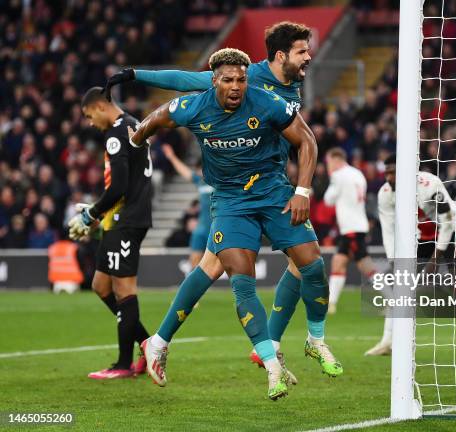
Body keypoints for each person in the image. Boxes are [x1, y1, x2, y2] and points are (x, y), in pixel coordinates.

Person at [130, 48, 341, 400]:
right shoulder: (195, 106)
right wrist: (135, 142)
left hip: (274, 194)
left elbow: (306, 140)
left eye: (241, 79)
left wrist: (302, 191)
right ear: (214, 81)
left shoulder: (267, 101)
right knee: (239, 280)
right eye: (228, 80)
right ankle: (272, 365)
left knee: (313, 264)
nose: (236, 86)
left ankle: (315, 340)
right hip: (231, 203)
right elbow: (158, 116)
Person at [105, 22, 318, 369]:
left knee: (215, 267)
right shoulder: (244, 77)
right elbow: (182, 81)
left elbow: (300, 138)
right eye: (302, 52)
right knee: (287, 260)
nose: (309, 57)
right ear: (281, 56)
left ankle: (159, 342)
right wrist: (133, 74)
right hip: (241, 191)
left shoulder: (290, 85)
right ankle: (266, 344)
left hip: (268, 183)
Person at [69, 87, 152, 379]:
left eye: (90, 116)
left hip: (126, 219)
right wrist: (99, 212)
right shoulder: (133, 124)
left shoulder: (117, 132)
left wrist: (91, 213)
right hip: (118, 218)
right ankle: (148, 343)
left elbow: (118, 186)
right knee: (101, 285)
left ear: (101, 107)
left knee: (123, 289)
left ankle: (123, 364)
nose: (91, 123)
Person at [365, 154, 456, 358]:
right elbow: (389, 232)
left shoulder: (430, 184)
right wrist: (394, 261)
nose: (389, 177)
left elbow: (447, 221)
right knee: (399, 283)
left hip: (451, 228)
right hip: (421, 235)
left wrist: (435, 260)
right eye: (387, 172)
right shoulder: (385, 193)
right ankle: (387, 341)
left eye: (393, 172)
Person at [322, 147, 377, 314]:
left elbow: (328, 200)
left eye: (329, 162)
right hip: (356, 226)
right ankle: (330, 304)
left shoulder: (339, 176)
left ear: (336, 160)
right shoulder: (358, 174)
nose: (328, 166)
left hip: (351, 228)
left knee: (365, 265)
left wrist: (332, 176)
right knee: (338, 262)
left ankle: (391, 297)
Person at [161, 144, 213, 268]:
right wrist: (171, 156)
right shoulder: (200, 182)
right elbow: (185, 171)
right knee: (194, 262)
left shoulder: (220, 182)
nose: (196, 172)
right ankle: (194, 286)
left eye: (198, 169)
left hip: (217, 229)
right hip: (201, 229)